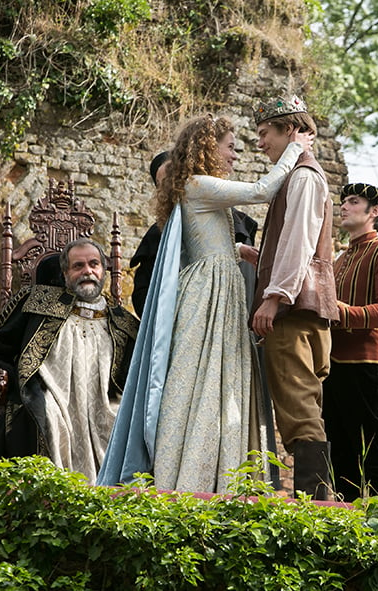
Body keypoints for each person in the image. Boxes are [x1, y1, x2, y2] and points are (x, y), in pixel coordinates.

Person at [98, 114, 313, 492]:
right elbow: (262, 190)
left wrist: (239, 250)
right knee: (202, 378)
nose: (235, 153)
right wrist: (296, 147)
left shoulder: (195, 187)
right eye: (230, 146)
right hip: (208, 291)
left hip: (219, 284)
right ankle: (191, 475)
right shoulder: (198, 184)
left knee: (217, 376)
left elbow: (203, 239)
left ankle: (217, 470)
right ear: (208, 147)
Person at [0, 238, 139, 484]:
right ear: (65, 273)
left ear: (103, 270)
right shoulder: (36, 303)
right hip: (48, 400)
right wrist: (1, 374)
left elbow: (139, 378)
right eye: (78, 266)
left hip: (106, 408)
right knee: (47, 419)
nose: (87, 271)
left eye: (93, 264)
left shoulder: (124, 324)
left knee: (123, 424)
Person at [249, 95, 339, 499]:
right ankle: (317, 495)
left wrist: (274, 296)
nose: (260, 143)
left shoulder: (302, 177)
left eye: (265, 133)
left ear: (289, 131)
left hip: (293, 311)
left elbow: (299, 242)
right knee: (307, 403)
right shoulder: (304, 176)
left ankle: (315, 502)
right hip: (308, 309)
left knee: (299, 409)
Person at [322, 183, 378, 500]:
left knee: (375, 453)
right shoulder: (340, 259)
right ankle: (349, 532)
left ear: (374, 212)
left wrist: (343, 313)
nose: (343, 206)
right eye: (343, 201)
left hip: (370, 368)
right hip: (334, 368)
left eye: (353, 202)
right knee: (340, 459)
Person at [130, 152, 260, 317]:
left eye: (177, 179)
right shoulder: (159, 234)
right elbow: (145, 298)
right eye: (164, 184)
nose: (173, 188)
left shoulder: (240, 224)